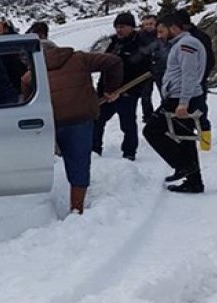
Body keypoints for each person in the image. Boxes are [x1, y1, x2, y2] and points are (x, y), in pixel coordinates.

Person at [22, 38, 123, 214]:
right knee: (79, 162)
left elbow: (29, 106)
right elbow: (113, 61)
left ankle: (39, 207)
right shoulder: (79, 59)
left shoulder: (29, 76)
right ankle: (77, 208)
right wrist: (110, 89)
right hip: (80, 119)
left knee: (44, 162)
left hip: (50, 123)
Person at [142, 13, 207, 193]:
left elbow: (189, 74)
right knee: (184, 137)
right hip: (179, 97)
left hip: (180, 98)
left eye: (161, 31)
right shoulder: (181, 44)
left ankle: (184, 165)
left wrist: (183, 103)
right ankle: (194, 182)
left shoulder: (186, 44)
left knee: (151, 131)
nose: (159, 35)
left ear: (174, 28)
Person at [92, 13, 152, 161]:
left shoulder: (140, 44)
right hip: (107, 93)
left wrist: (129, 92)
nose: (119, 30)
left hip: (127, 92)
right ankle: (94, 149)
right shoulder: (113, 43)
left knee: (127, 124)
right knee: (97, 120)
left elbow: (144, 72)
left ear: (131, 27)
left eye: (122, 27)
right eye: (117, 27)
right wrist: (102, 90)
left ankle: (129, 152)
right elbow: (105, 68)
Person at [174, 9, 215, 151]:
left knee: (199, 112)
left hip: (197, 83)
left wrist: (199, 78)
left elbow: (209, 60)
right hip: (179, 84)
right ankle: (184, 143)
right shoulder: (177, 39)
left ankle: (205, 145)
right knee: (181, 115)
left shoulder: (200, 38)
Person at [139, 14, 161, 121]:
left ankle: (165, 114)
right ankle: (147, 116)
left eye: (151, 24)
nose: (148, 26)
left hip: (160, 69)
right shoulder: (139, 37)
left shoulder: (161, 34)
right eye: (146, 24)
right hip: (145, 70)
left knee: (165, 93)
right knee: (145, 95)